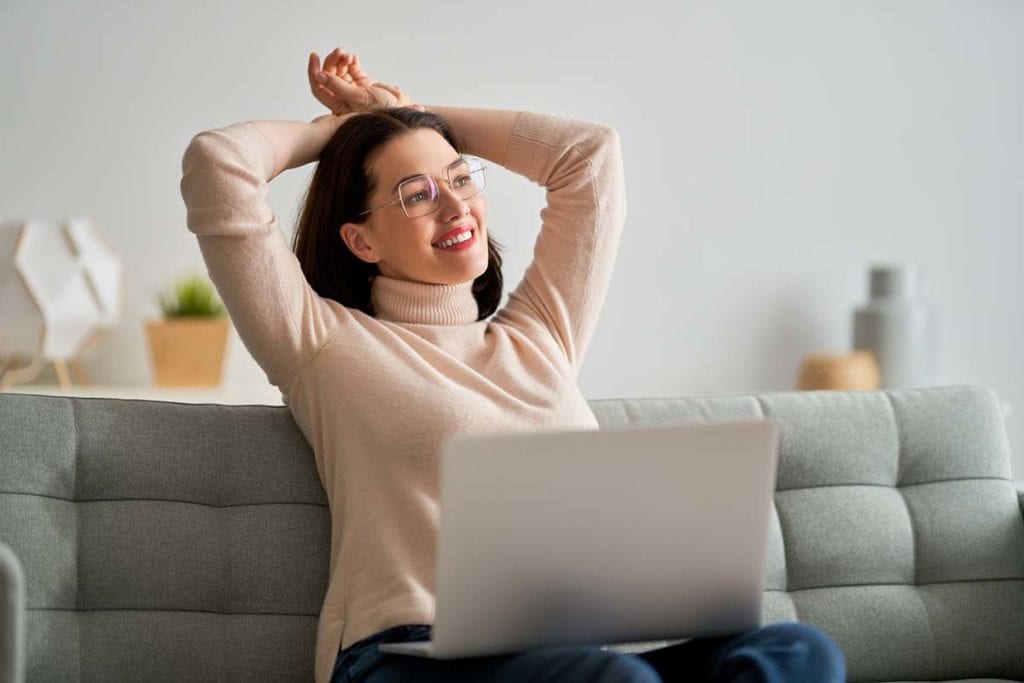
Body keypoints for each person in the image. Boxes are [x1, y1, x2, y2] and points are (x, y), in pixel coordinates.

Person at [180, 46, 846, 683]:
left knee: (796, 649)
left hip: (571, 651)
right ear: (360, 238)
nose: (455, 204)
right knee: (612, 676)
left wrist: (408, 114)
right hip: (407, 656)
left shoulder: (540, 337)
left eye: (461, 177)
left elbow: (590, 156)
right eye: (416, 194)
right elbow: (219, 166)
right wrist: (340, 131)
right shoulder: (324, 345)